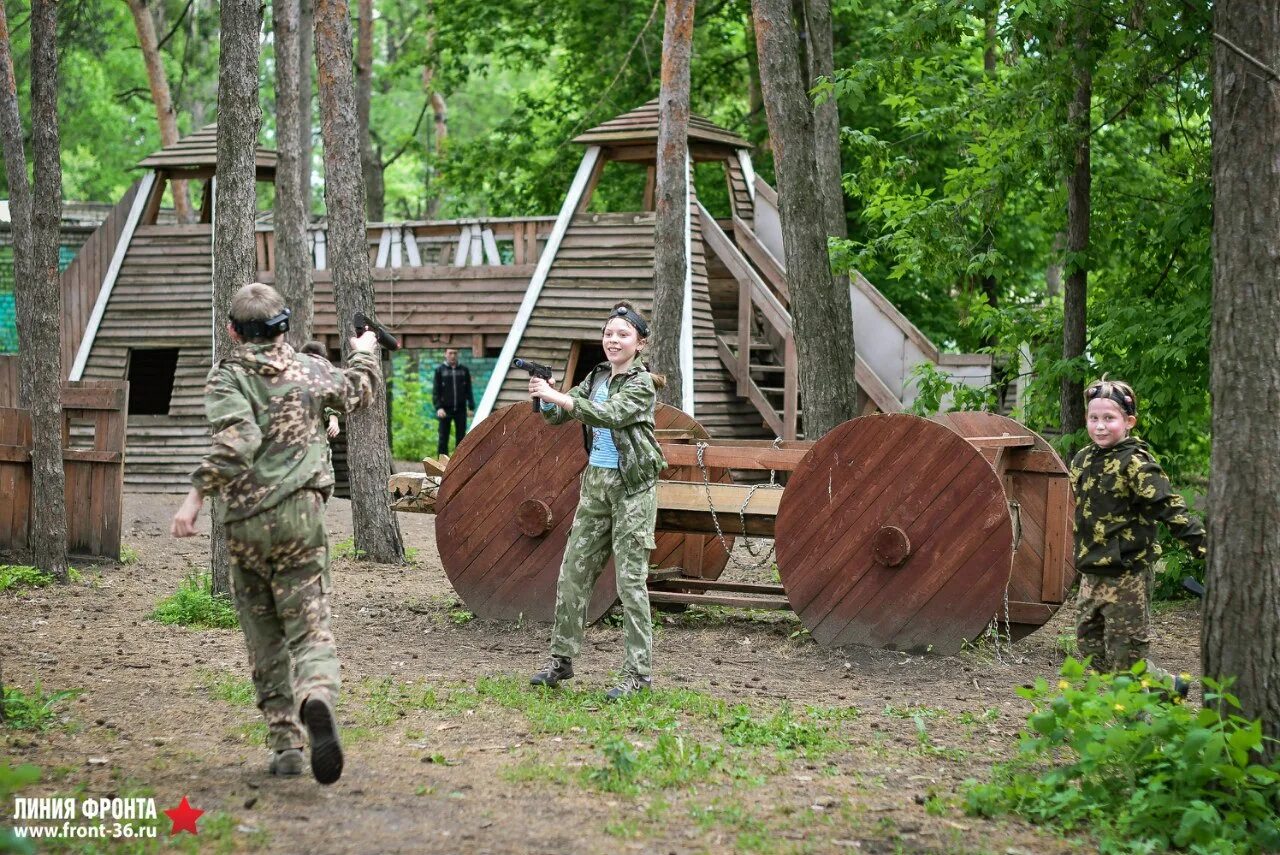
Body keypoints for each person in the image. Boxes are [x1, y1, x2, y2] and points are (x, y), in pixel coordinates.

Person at [170, 283, 381, 784]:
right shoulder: (311, 369)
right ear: (284, 326)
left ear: (232, 330)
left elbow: (238, 440)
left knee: (264, 634)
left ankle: (286, 744)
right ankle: (316, 697)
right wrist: (364, 353)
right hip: (302, 518)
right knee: (309, 627)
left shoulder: (226, 378)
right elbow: (360, 392)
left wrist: (196, 495)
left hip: (246, 525)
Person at [526, 302, 667, 701]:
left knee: (630, 582)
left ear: (639, 344)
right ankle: (561, 661)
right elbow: (561, 417)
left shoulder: (641, 385)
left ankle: (637, 675)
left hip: (632, 488)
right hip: (596, 484)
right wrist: (545, 395)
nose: (613, 340)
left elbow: (608, 415)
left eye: (623, 334)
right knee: (573, 573)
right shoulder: (597, 375)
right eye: (608, 333)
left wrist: (561, 397)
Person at [1068, 377, 1206, 694]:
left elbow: (1169, 507)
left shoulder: (1136, 463)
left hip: (1127, 573)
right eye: (1093, 418)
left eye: (1109, 418)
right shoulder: (1082, 460)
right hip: (1092, 571)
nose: (1100, 426)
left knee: (1126, 659)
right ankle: (1168, 687)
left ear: (1129, 421)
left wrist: (1204, 548)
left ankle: (1135, 731)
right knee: (1089, 648)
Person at [432, 347, 473, 457]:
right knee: (443, 438)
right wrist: (439, 407)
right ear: (445, 354)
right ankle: (441, 465)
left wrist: (471, 407)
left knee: (461, 439)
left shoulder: (464, 370)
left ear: (458, 354)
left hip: (461, 409)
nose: (453, 356)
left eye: (455, 353)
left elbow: (468, 390)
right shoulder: (440, 370)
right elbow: (436, 391)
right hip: (445, 410)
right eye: (450, 353)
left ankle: (459, 463)